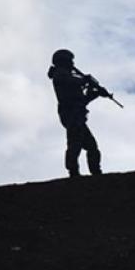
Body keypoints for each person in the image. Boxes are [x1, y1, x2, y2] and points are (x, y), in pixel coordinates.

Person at [47, 49, 105, 177]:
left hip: (76, 114)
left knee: (91, 146)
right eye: (70, 61)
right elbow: (73, 83)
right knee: (75, 143)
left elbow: (81, 100)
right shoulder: (60, 75)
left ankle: (95, 171)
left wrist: (94, 93)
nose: (72, 63)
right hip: (71, 114)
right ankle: (73, 172)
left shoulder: (68, 77)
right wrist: (86, 81)